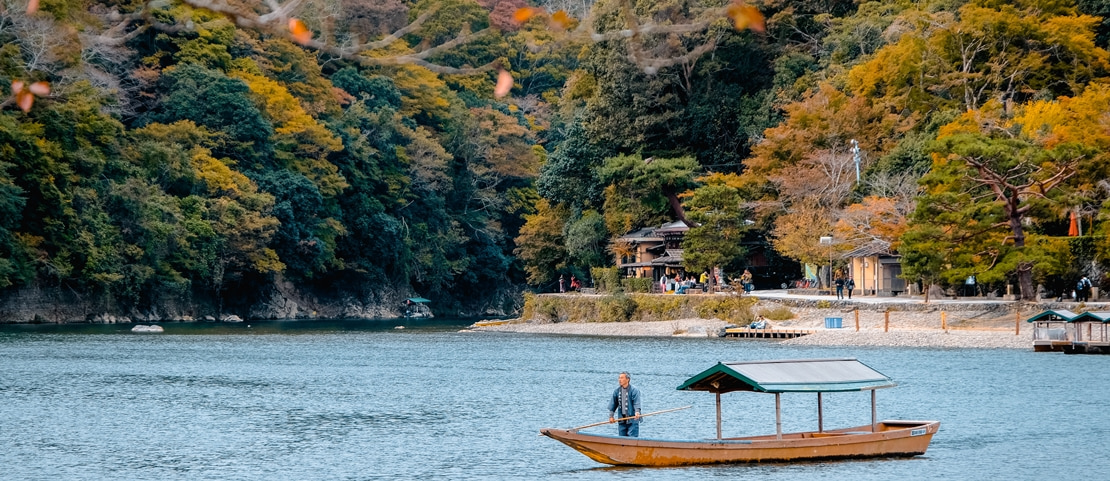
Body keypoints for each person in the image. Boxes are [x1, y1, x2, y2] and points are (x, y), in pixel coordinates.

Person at [608, 372, 642, 437]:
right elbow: (613, 404)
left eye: (622, 378)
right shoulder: (617, 391)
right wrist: (611, 416)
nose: (619, 380)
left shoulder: (634, 390)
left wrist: (637, 412)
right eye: (619, 378)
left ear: (627, 379)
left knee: (632, 439)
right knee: (622, 439)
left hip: (632, 419)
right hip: (621, 420)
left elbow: (636, 402)